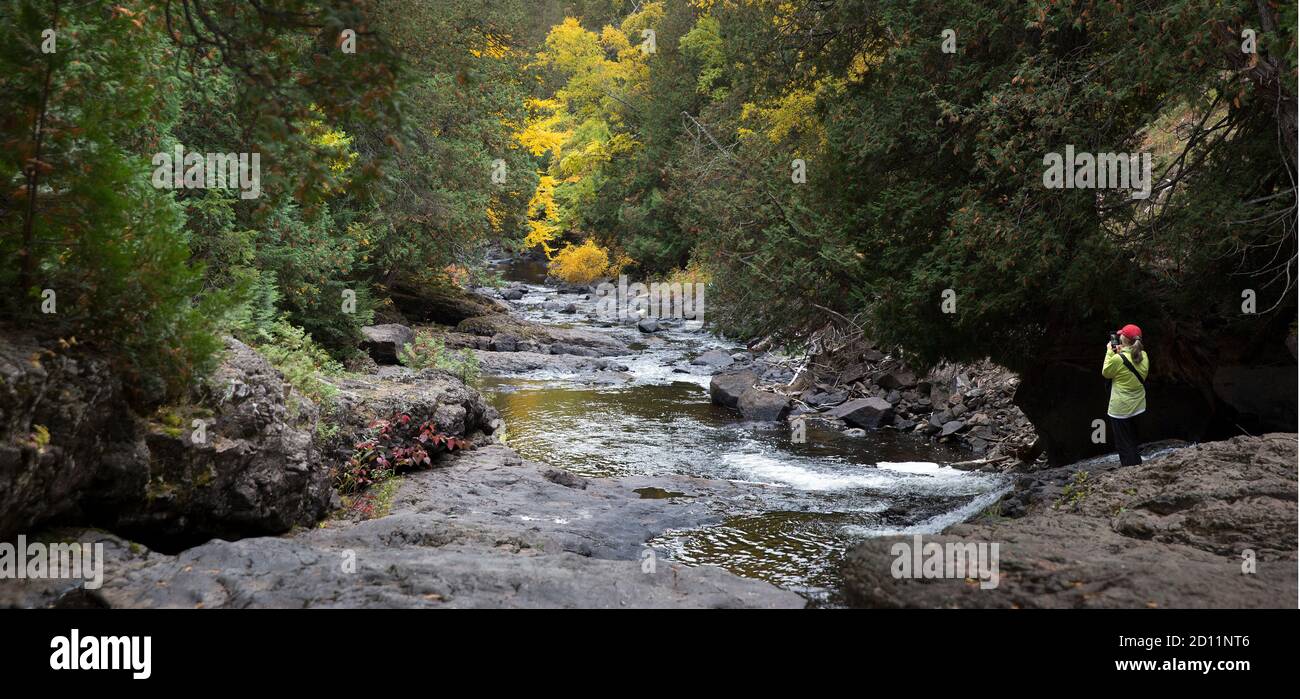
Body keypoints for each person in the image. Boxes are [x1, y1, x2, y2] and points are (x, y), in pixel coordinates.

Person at [1102, 324, 1149, 466]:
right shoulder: (1144, 355)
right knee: (1134, 441)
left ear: (1123, 338)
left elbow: (1106, 372)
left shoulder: (1118, 359)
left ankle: (1130, 471)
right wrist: (1122, 352)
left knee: (1124, 444)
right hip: (1139, 405)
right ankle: (1137, 464)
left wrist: (1110, 352)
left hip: (1120, 409)